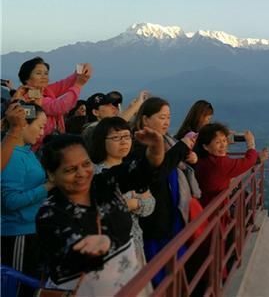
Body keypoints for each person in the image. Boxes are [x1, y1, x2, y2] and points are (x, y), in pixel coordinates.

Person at [36, 129, 188, 295]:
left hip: (130, 284)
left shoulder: (104, 183)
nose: (81, 173)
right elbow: (68, 254)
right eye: (70, 170)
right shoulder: (49, 213)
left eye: (86, 164)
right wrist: (100, 246)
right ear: (51, 174)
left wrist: (155, 150)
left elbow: (143, 172)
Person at [131, 97, 199, 286]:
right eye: (162, 117)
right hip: (155, 224)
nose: (167, 122)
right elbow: (158, 172)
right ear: (145, 120)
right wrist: (182, 147)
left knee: (176, 271)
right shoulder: (139, 146)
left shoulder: (167, 140)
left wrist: (188, 157)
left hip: (172, 218)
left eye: (168, 117)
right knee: (161, 277)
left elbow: (171, 166)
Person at [91, 116, 156, 285]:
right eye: (116, 138)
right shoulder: (94, 173)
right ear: (101, 141)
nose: (124, 142)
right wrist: (134, 202)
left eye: (127, 136)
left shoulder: (132, 168)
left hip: (135, 242)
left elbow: (150, 205)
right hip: (109, 251)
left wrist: (134, 203)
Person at [1, 102, 52, 296]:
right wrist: (47, 186)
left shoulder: (26, 152)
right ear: (23, 124)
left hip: (30, 229)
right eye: (39, 126)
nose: (42, 132)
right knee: (18, 289)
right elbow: (11, 202)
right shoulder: (12, 155)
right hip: (17, 233)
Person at [13, 57, 92, 149]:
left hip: (46, 142)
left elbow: (65, 83)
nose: (44, 76)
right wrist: (78, 85)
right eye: (38, 73)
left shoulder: (45, 90)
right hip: (38, 147)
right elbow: (60, 106)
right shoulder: (30, 96)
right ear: (26, 78)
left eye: (46, 73)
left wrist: (81, 71)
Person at [194, 122, 269, 208]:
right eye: (217, 142)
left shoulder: (202, 158)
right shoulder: (220, 164)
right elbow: (248, 161)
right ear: (206, 147)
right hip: (216, 212)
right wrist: (251, 144)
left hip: (204, 204)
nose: (223, 145)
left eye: (224, 140)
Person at [82, 90, 149, 147]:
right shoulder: (90, 129)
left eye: (113, 104)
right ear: (96, 112)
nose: (113, 107)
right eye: (107, 105)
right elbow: (114, 125)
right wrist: (137, 104)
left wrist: (131, 109)